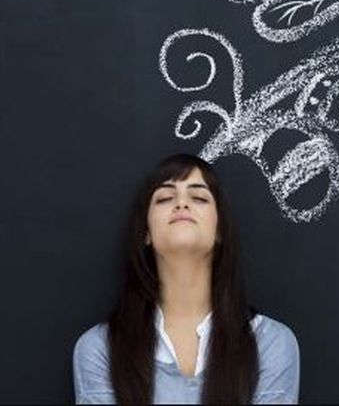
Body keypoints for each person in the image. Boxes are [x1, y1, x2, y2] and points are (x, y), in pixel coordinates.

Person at [72, 154, 300, 404]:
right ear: (146, 232)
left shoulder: (270, 342)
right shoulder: (100, 348)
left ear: (219, 229)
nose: (181, 204)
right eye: (165, 198)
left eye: (199, 198)